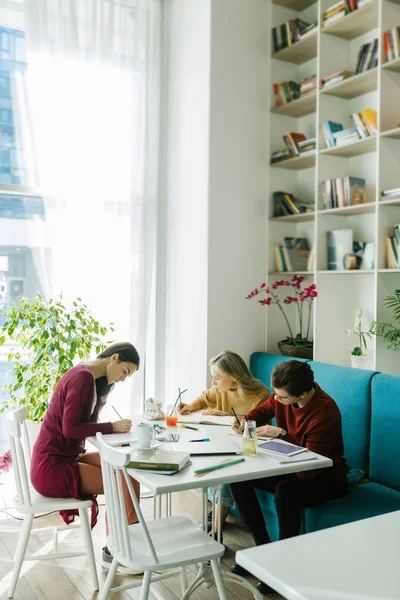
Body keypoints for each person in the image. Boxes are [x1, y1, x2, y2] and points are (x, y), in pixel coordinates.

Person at [229, 360, 349, 595]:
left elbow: (308, 469)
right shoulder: (282, 396)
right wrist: (246, 422)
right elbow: (264, 410)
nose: (277, 400)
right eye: (276, 395)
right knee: (238, 476)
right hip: (288, 467)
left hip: (325, 477)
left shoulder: (325, 412)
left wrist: (282, 434)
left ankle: (284, 564)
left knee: (286, 490)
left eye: (282, 398)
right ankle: (262, 549)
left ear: (304, 392)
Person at [30, 341, 142, 575]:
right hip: (52, 468)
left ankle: (119, 547)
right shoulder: (82, 379)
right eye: (125, 371)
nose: (123, 379)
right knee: (123, 482)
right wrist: (112, 426)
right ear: (115, 358)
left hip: (63, 458)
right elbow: (69, 430)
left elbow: (78, 426)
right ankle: (122, 552)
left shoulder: (87, 378)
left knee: (127, 470)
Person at [178, 350, 270, 537]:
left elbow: (253, 422)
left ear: (234, 378)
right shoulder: (220, 389)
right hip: (223, 441)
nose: (213, 383)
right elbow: (205, 398)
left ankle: (217, 523)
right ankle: (217, 519)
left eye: (217, 378)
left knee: (228, 466)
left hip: (247, 446)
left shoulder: (259, 394)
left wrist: (227, 416)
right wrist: (190, 406)